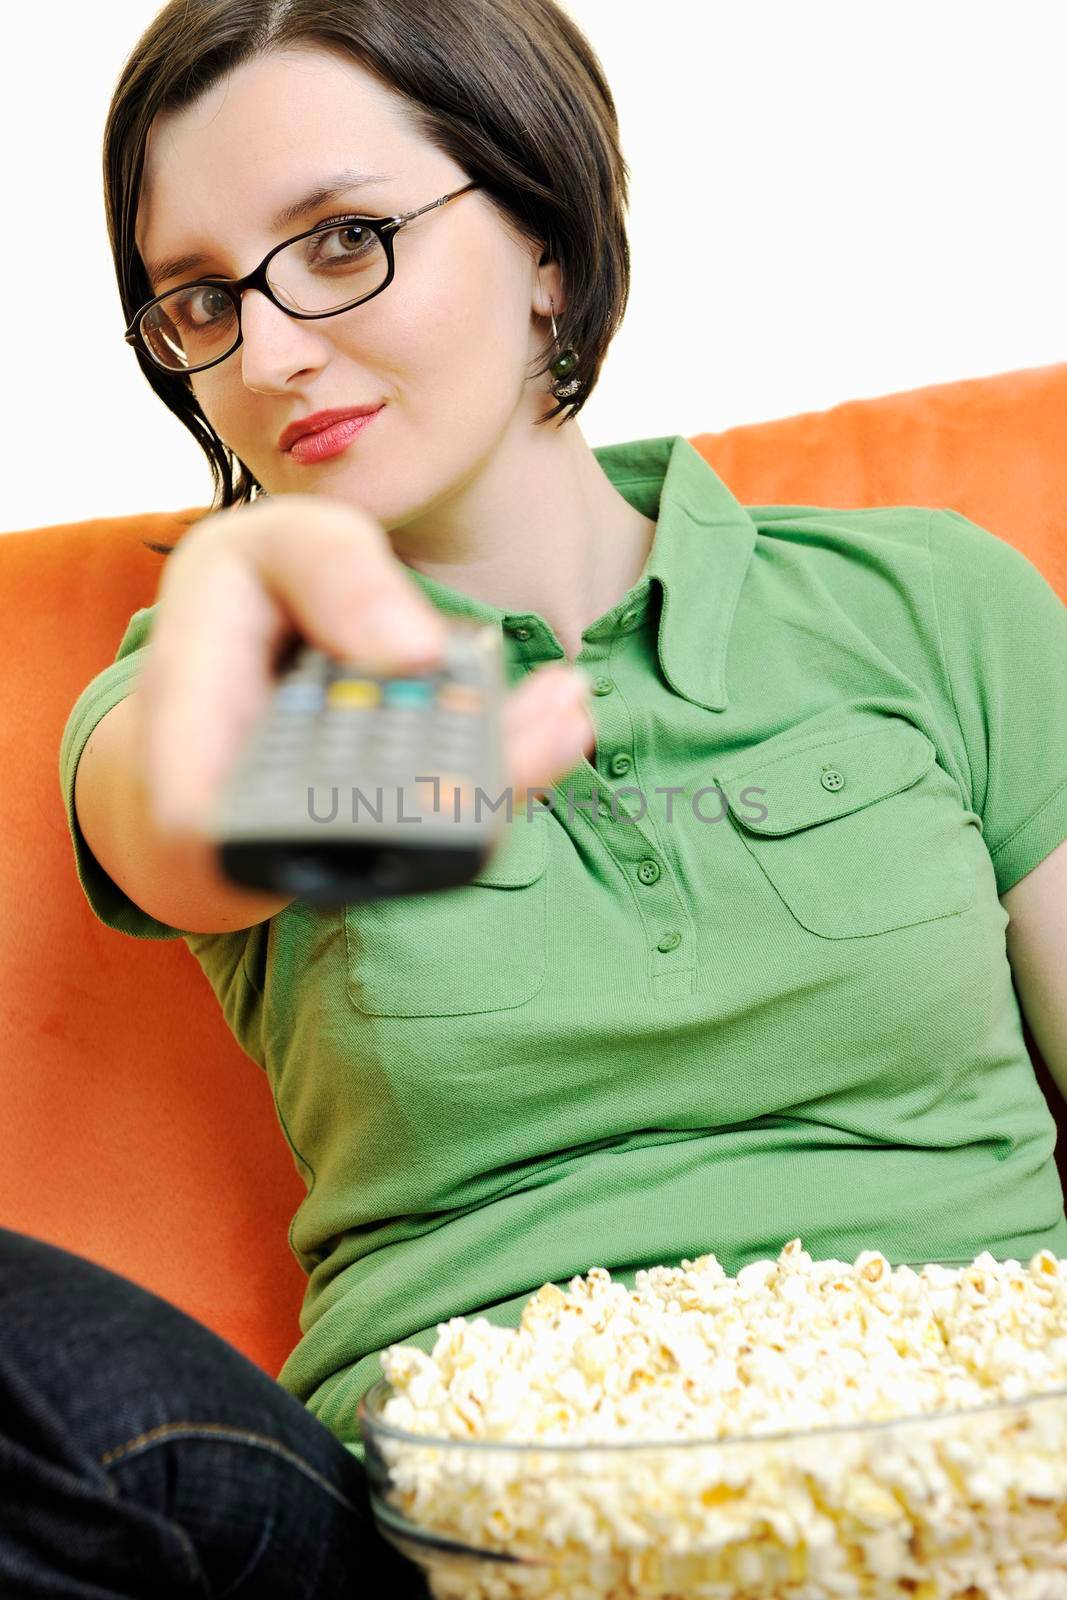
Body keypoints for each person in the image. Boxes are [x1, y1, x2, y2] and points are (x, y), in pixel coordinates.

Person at [6, 0, 1066, 1592]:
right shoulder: (205, 678)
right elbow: (203, 808)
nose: (272, 349)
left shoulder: (928, 602)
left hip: (984, 1460)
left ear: (547, 242)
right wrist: (322, 688)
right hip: (438, 1530)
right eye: (201, 299)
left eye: (345, 240)